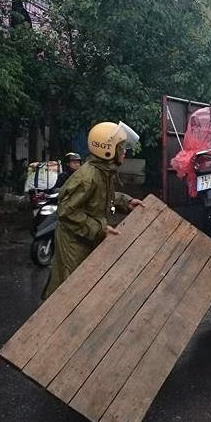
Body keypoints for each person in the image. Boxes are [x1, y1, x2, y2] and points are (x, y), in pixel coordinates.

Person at [42, 121, 144, 300]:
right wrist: (100, 228)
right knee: (68, 292)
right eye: (121, 148)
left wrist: (125, 202)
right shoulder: (87, 177)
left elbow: (104, 197)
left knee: (85, 290)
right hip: (74, 242)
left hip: (86, 237)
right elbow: (67, 212)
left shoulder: (103, 171)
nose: (124, 152)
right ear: (108, 150)